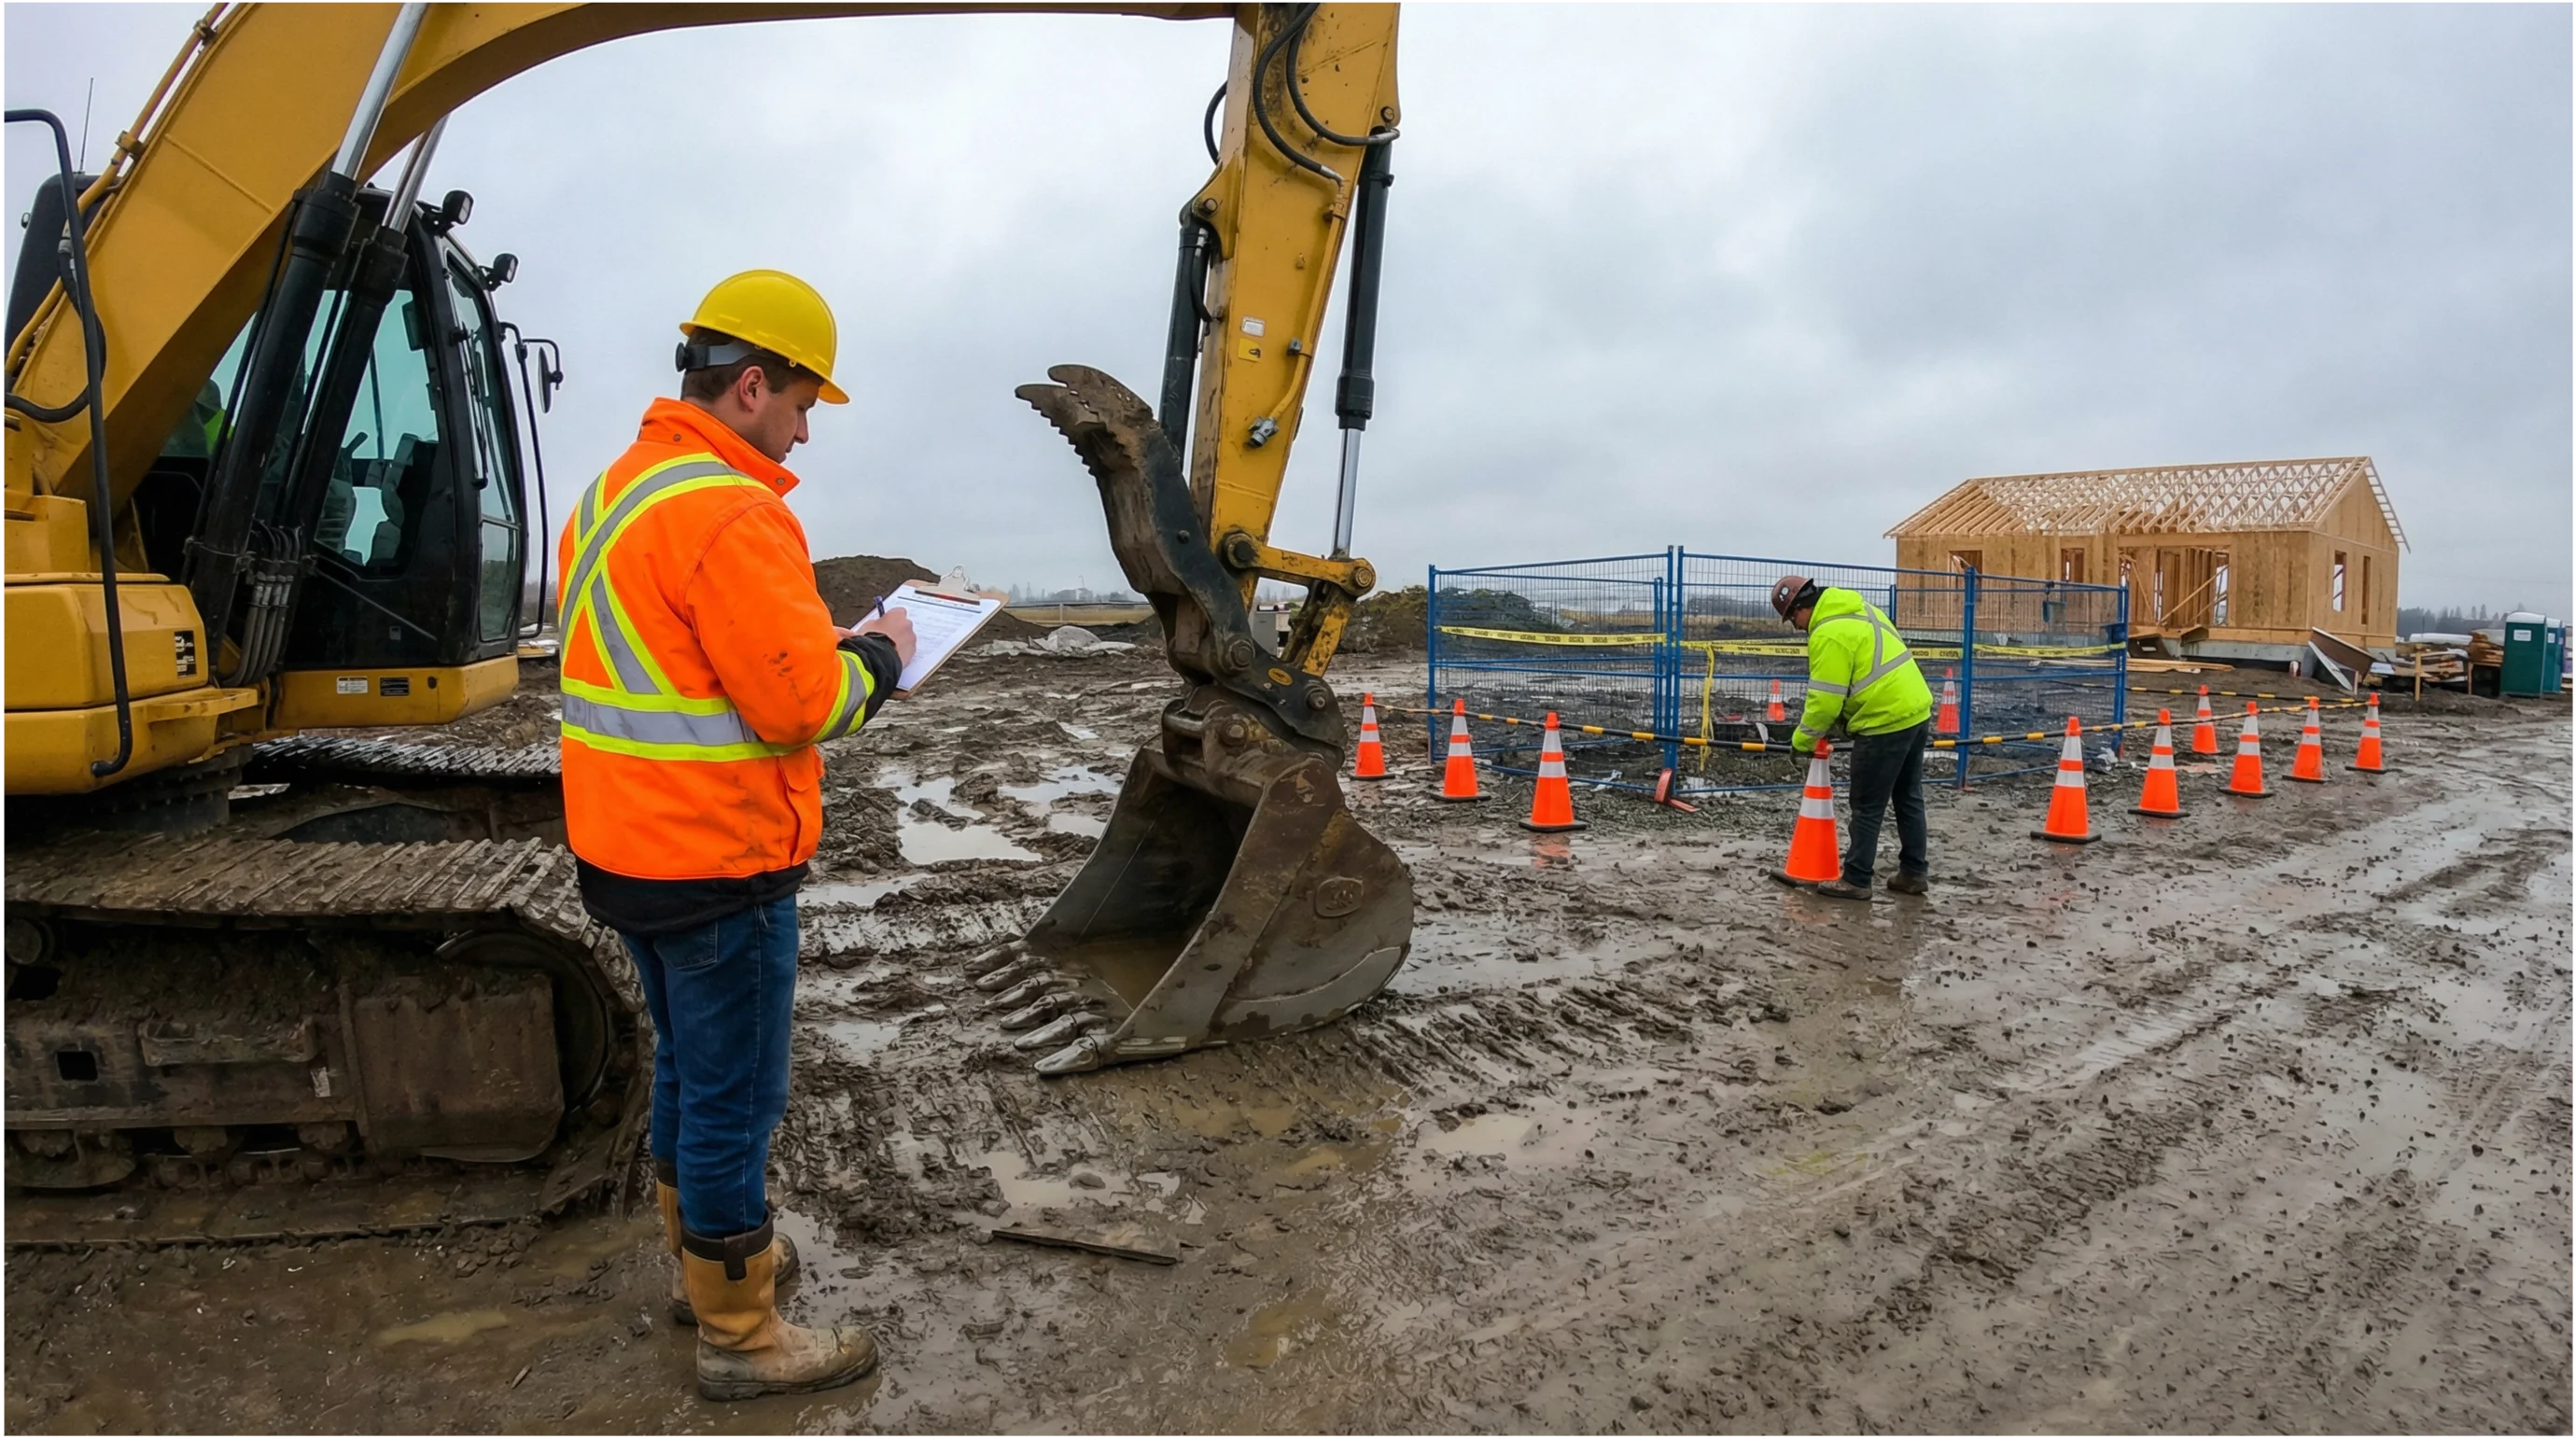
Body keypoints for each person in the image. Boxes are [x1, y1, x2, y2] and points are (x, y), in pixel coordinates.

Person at [557, 269, 916, 1402]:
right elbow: (803, 706)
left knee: (685, 1075)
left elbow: (691, 669)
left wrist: (828, 650)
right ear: (751, 384)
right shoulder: (731, 510)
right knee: (733, 1103)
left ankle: (702, 1269)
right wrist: (887, 655)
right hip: (717, 864)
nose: (809, 426)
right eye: (805, 400)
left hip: (626, 857)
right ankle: (742, 1335)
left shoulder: (617, 493)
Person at [1771, 574, 1934, 901]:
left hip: (1883, 720)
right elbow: (1864, 673)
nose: (1796, 627)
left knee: (1867, 804)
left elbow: (1825, 700)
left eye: (1792, 619)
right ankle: (1913, 874)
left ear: (1803, 608)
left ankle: (1857, 879)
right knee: (1908, 796)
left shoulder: (1829, 633)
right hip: (1916, 711)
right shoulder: (1863, 610)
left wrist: (1802, 741)